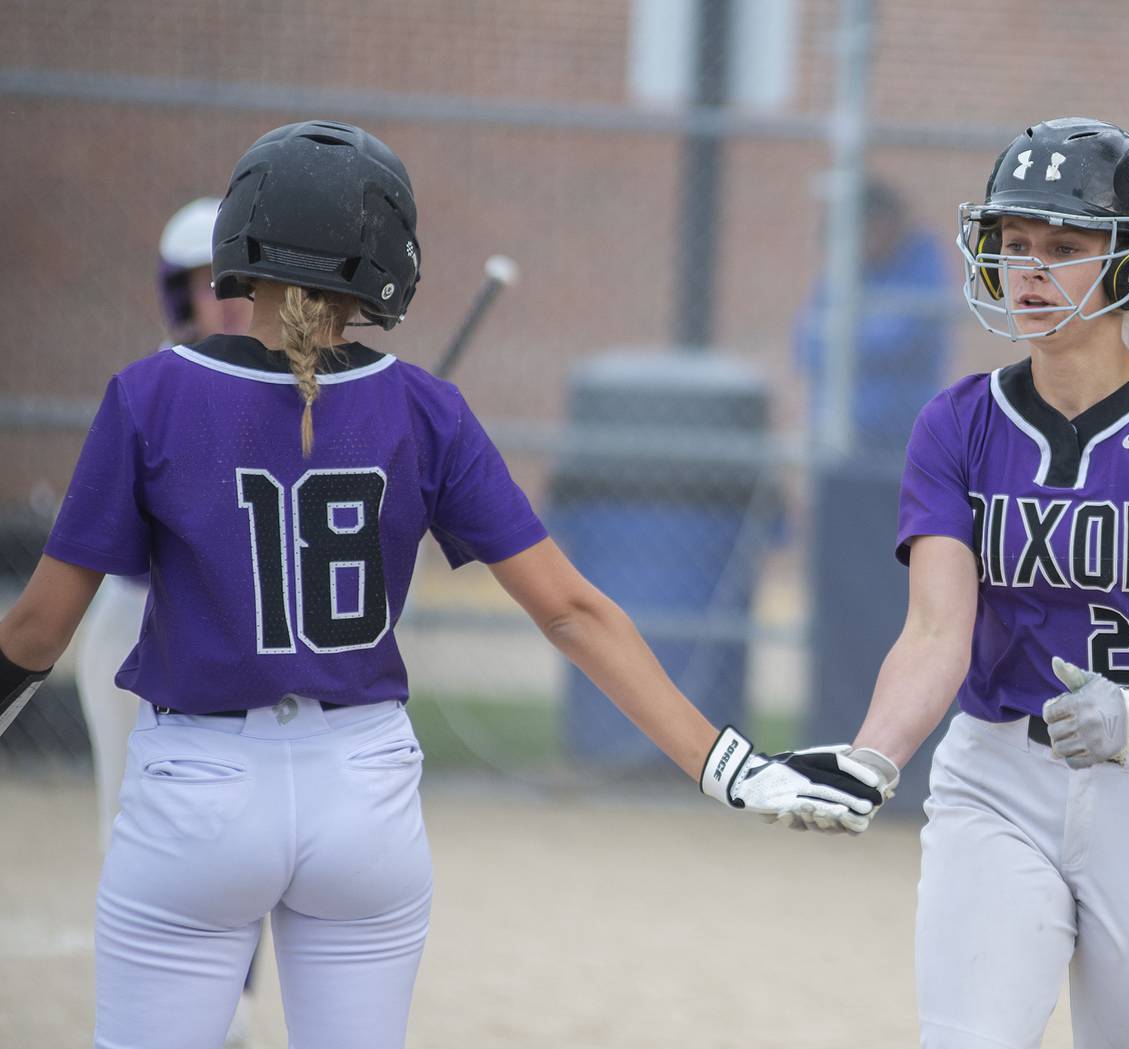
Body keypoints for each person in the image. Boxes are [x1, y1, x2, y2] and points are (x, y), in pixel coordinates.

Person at [0, 120, 883, 1049]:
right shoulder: (423, 406)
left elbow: (35, 633)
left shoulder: (150, 395)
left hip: (198, 787)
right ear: (383, 262)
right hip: (362, 793)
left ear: (238, 243)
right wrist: (730, 767)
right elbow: (573, 611)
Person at [800, 117, 1129, 1049]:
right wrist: (872, 755)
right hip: (997, 777)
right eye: (1014, 244)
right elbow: (937, 632)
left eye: (1063, 247)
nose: (1029, 269)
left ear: (1128, 264)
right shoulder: (956, 423)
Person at [74, 195, 257, 1046]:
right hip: (135, 627)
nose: (226, 300)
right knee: (134, 811)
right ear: (175, 293)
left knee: (250, 821)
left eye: (240, 283)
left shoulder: (277, 388)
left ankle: (235, 1007)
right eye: (206, 284)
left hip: (230, 641)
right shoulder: (158, 392)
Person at [794, 178, 952, 452]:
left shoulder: (920, 261)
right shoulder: (844, 269)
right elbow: (805, 347)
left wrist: (840, 339)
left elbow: (897, 338)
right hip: (835, 431)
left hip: (899, 435)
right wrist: (848, 339)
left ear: (885, 223)